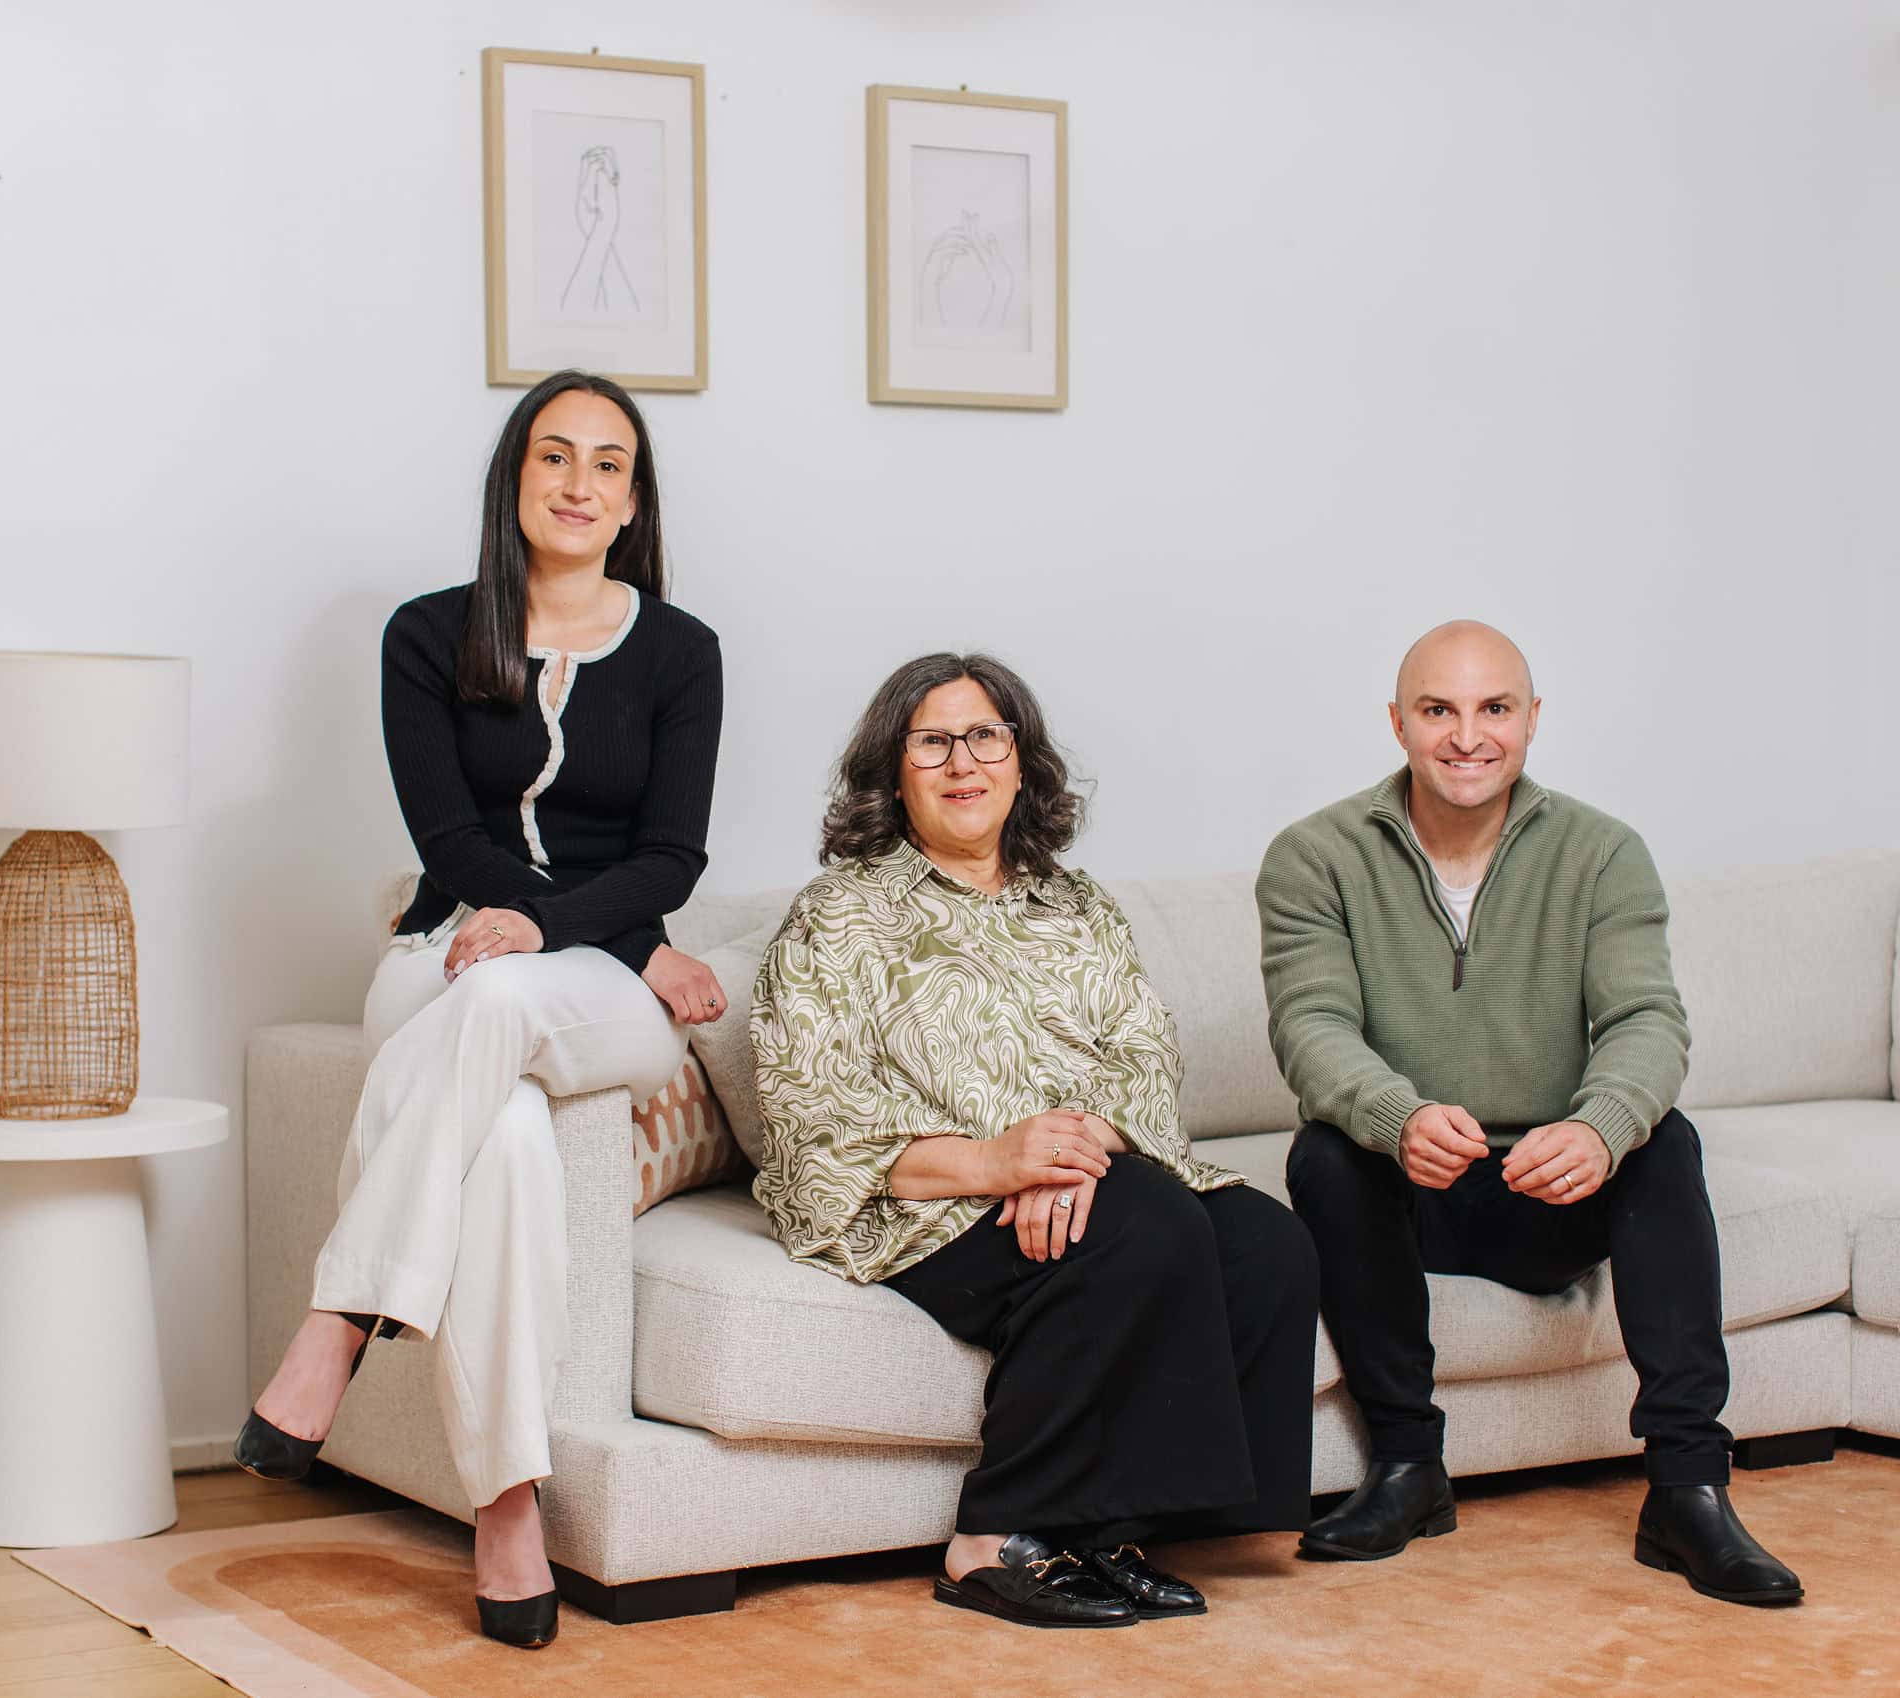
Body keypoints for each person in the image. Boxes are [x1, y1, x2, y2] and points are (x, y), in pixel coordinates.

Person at [233, 371, 726, 1649]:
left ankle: (339, 1319)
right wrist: (515, 918)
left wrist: (569, 928)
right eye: (554, 457)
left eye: (607, 464)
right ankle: (507, 1507)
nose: (578, 484)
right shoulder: (428, 633)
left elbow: (671, 857)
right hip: (441, 954)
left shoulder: (682, 654)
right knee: (500, 1140)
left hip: (600, 983)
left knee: (507, 993)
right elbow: (445, 838)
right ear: (513, 481)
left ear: (633, 499)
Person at [752, 653, 1319, 1630]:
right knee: (1140, 1221)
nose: (961, 761)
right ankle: (990, 1538)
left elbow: (1143, 1051)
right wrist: (990, 1163)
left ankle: (1117, 1527)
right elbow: (812, 1110)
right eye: (932, 741)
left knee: (1265, 1243)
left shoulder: (1077, 906)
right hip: (920, 1202)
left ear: (1022, 763)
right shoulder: (840, 915)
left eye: (985, 737)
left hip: (1082, 1174)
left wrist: (1075, 1148)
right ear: (893, 771)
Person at [1256, 619, 1801, 1606]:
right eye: (1437, 710)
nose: (1466, 736)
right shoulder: (1313, 856)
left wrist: (1597, 1126)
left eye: (1492, 708)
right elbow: (1310, 1027)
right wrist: (1392, 1114)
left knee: (1661, 1140)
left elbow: (1644, 1019)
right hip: (1411, 1182)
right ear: (1397, 724)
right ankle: (1405, 1468)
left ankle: (1687, 1489)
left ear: (1530, 721)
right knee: (1323, 1154)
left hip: (1547, 1185)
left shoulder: (1600, 854)